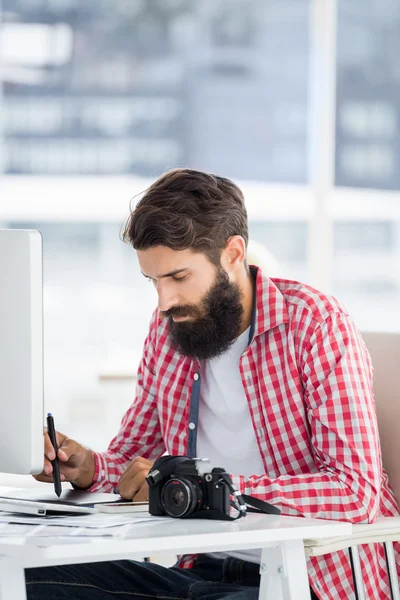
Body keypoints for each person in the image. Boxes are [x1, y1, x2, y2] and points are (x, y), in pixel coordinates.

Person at [27, 169, 399, 600]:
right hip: (201, 567)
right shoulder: (169, 330)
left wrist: (208, 490)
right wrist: (90, 467)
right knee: (32, 578)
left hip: (306, 577)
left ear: (232, 254)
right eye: (154, 281)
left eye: (178, 278)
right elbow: (137, 462)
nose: (163, 302)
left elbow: (355, 492)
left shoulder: (315, 325)